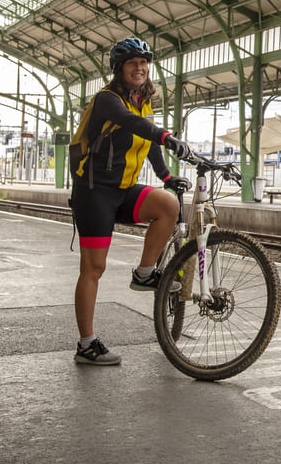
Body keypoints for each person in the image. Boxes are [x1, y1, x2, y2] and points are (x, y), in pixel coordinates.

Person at [67, 37, 194, 365]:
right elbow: (133, 125)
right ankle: (86, 344)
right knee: (94, 268)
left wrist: (167, 177)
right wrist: (166, 136)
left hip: (122, 189)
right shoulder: (108, 100)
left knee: (168, 204)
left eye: (143, 63)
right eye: (131, 63)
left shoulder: (143, 104)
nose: (139, 68)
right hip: (94, 192)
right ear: (119, 70)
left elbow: (146, 139)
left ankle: (144, 272)